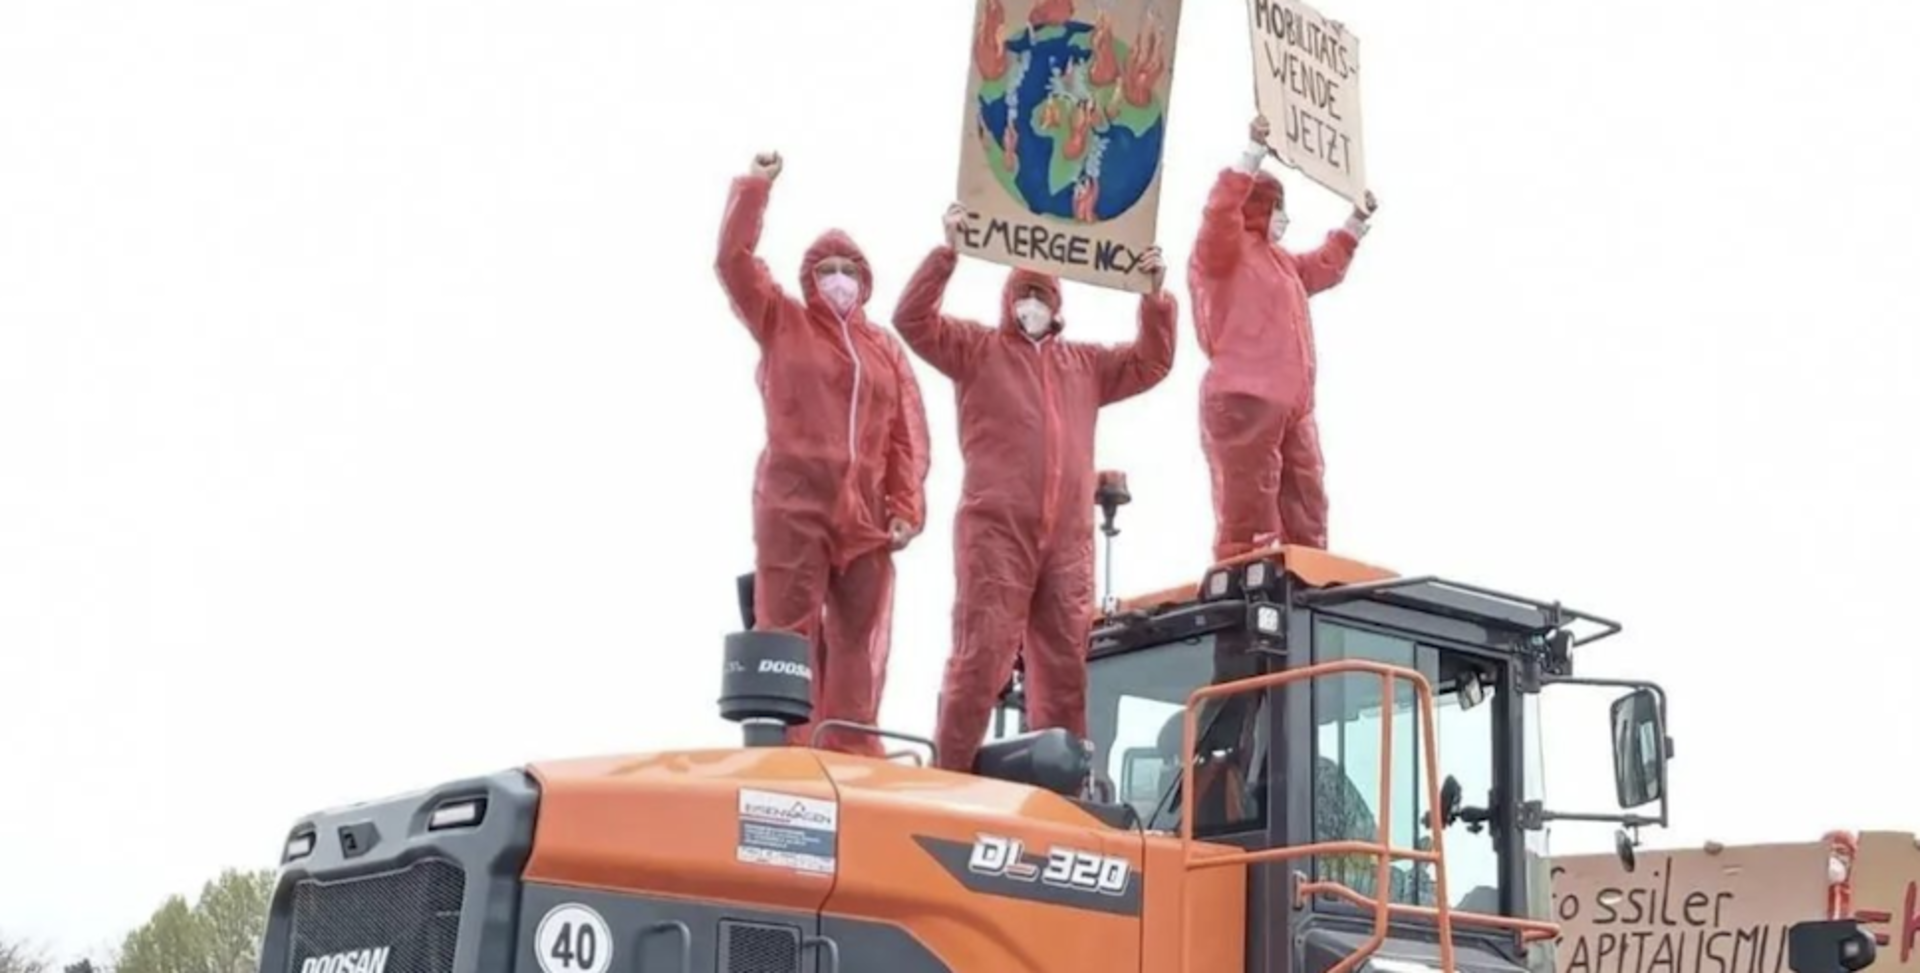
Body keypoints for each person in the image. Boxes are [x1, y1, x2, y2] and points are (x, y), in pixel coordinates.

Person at [893, 202, 1177, 773]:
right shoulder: (976, 350)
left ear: (1057, 307)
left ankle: (1061, 788)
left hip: (1069, 539)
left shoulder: (1085, 366)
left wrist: (1155, 297)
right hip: (996, 527)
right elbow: (912, 321)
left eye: (1043, 297)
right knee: (982, 657)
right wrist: (947, 252)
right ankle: (947, 775)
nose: (1033, 306)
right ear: (1007, 301)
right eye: (1025, 295)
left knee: (1066, 666)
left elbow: (1152, 362)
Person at [715, 150, 932, 757]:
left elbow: (904, 434)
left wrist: (904, 505)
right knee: (787, 634)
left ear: (864, 280)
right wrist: (755, 187)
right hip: (793, 504)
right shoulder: (782, 319)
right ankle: (786, 753)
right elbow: (732, 263)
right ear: (811, 276)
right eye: (827, 268)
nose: (839, 279)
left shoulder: (882, 348)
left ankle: (853, 756)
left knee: (858, 643)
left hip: (865, 518)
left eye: (850, 269)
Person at [1190, 114, 1378, 560]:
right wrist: (1250, 156)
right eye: (1278, 210)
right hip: (1244, 397)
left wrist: (1355, 222)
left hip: (1294, 406)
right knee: (1249, 509)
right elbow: (1218, 213)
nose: (1285, 220)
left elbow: (1323, 266)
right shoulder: (1223, 253)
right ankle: (1245, 582)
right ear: (1258, 209)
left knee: (1308, 502)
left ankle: (1311, 582)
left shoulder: (1282, 264)